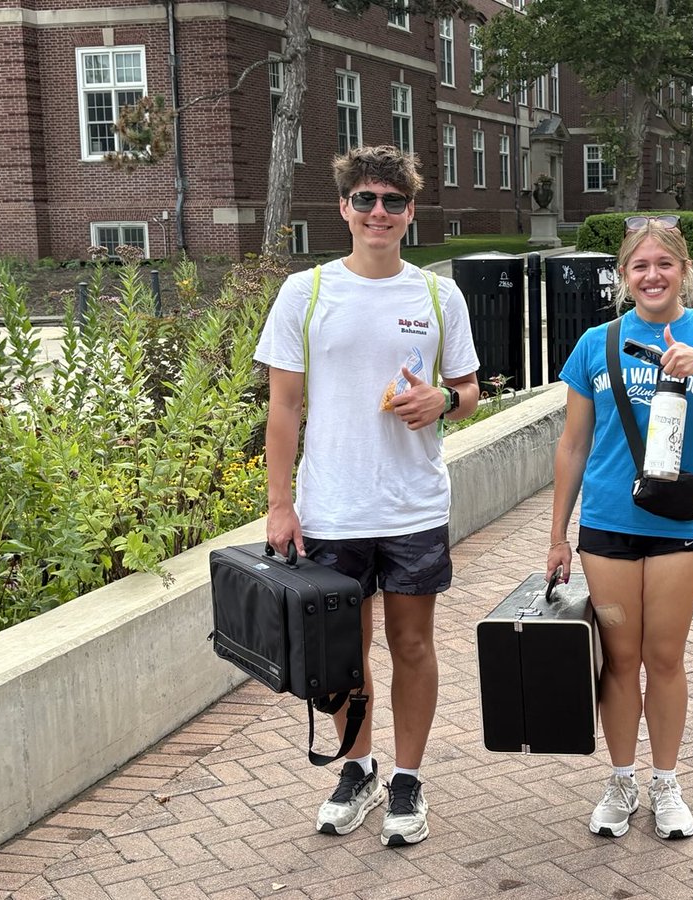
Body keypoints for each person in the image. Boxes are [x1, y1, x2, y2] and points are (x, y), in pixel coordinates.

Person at [254, 144, 480, 846]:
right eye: (365, 200)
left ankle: (407, 779)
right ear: (344, 209)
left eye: (392, 201)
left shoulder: (438, 295)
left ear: (410, 213)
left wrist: (443, 400)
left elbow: (469, 390)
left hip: (413, 504)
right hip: (333, 507)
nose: (378, 212)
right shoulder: (306, 292)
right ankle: (357, 768)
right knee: (343, 653)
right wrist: (280, 503)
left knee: (412, 644)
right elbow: (284, 407)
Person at [547, 214, 693, 839]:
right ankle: (621, 780)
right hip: (608, 525)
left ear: (684, 271)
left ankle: (665, 782)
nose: (653, 276)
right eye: (640, 266)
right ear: (624, 276)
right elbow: (572, 444)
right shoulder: (596, 343)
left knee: (664, 657)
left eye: (664, 264)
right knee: (621, 660)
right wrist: (558, 535)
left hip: (677, 524)